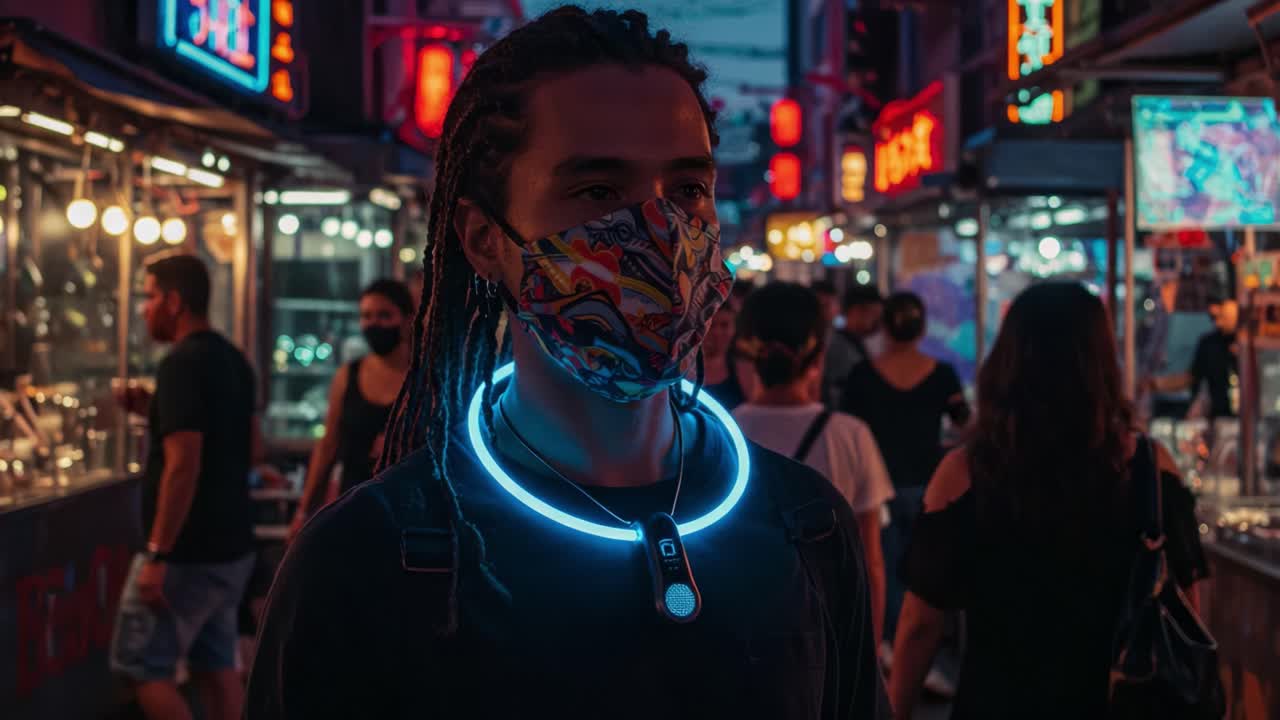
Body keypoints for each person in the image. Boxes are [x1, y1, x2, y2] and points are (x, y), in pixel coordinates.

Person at [246, 8, 888, 718]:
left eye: (687, 190)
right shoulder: (367, 562)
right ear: (486, 240)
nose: (660, 234)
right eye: (597, 192)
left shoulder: (808, 526)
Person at [889, 282, 1208, 718]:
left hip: (998, 704)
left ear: (1008, 361)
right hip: (1118, 703)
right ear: (1101, 362)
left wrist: (896, 710)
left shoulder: (965, 472)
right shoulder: (1151, 468)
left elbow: (921, 624)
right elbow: (1186, 603)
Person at [109, 253, 258, 720]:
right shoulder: (233, 359)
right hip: (232, 548)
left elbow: (183, 464)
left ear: (174, 302)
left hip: (186, 554)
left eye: (149, 297)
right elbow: (244, 443)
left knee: (141, 669)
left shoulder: (180, 364)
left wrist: (157, 554)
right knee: (215, 667)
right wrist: (157, 410)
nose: (144, 309)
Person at [732, 282, 894, 642]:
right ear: (819, 358)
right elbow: (870, 563)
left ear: (744, 355)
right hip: (825, 636)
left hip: (739, 634)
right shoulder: (850, 435)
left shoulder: (718, 435)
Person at [840, 291, 969, 647]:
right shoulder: (941, 374)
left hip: (877, 489)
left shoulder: (862, 374)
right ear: (922, 328)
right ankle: (921, 646)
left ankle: (890, 647)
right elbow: (965, 424)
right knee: (923, 573)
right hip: (930, 486)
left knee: (884, 569)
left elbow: (850, 429)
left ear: (884, 327)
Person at [289, 279, 414, 538]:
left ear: (406, 319)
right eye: (366, 316)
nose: (374, 324)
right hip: (353, 507)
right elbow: (328, 446)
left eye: (384, 315)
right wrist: (305, 512)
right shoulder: (348, 375)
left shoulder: (425, 376)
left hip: (408, 514)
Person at [1147, 294, 1239, 419]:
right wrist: (1158, 384)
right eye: (1216, 318)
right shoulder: (1209, 343)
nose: (1218, 323)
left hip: (1242, 414)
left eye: (1223, 317)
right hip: (1219, 416)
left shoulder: (1244, 346)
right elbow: (1192, 376)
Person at [822, 285, 882, 407]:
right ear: (856, 311)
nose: (877, 322)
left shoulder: (850, 342)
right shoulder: (837, 347)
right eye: (874, 314)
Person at [700, 301, 746, 410]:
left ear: (734, 329)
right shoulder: (683, 368)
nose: (717, 332)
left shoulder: (744, 368)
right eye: (712, 325)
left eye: (724, 325)